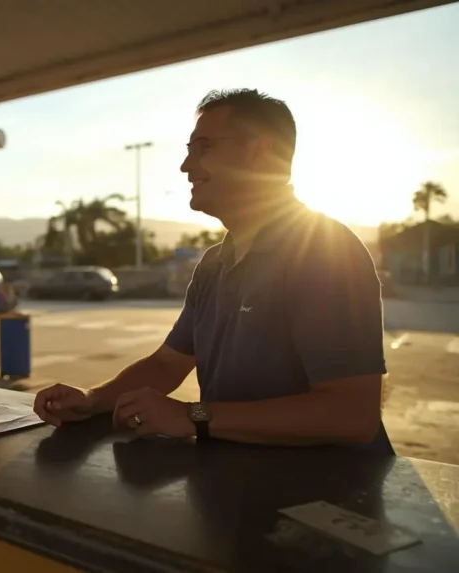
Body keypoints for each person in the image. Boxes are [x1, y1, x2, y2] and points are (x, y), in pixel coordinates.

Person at [33, 89, 392, 454]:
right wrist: (93, 400)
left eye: (203, 147)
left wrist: (194, 415)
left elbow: (352, 414)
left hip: (327, 497)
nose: (186, 166)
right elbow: (166, 365)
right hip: (238, 488)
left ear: (257, 152)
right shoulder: (213, 264)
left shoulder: (323, 250)